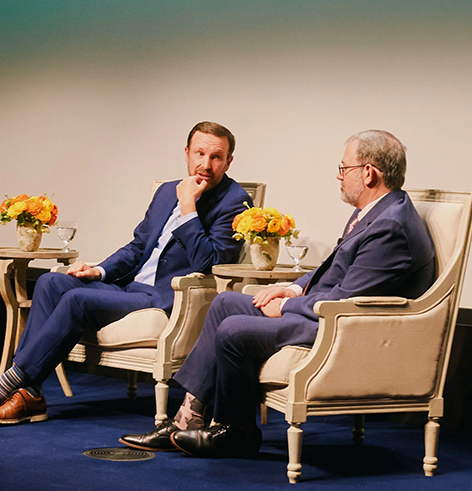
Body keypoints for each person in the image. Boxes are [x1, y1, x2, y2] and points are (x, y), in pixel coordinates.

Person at [120, 130, 436, 457]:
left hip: (344, 328)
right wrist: (293, 287)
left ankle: (236, 431)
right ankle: (188, 417)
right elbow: (334, 267)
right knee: (225, 302)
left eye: (344, 169)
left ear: (368, 173)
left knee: (234, 330)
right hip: (327, 313)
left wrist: (287, 306)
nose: (339, 176)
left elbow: (345, 299)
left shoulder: (390, 226)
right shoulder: (378, 211)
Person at [0, 121, 251, 425]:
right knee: (51, 282)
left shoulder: (234, 202)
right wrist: (98, 270)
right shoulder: (168, 190)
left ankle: (1, 387)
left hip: (165, 299)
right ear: (186, 152)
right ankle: (30, 393)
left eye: (216, 157)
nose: (205, 164)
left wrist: (188, 209)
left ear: (228, 161)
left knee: (77, 301)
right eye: (199, 153)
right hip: (131, 288)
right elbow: (138, 247)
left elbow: (208, 262)